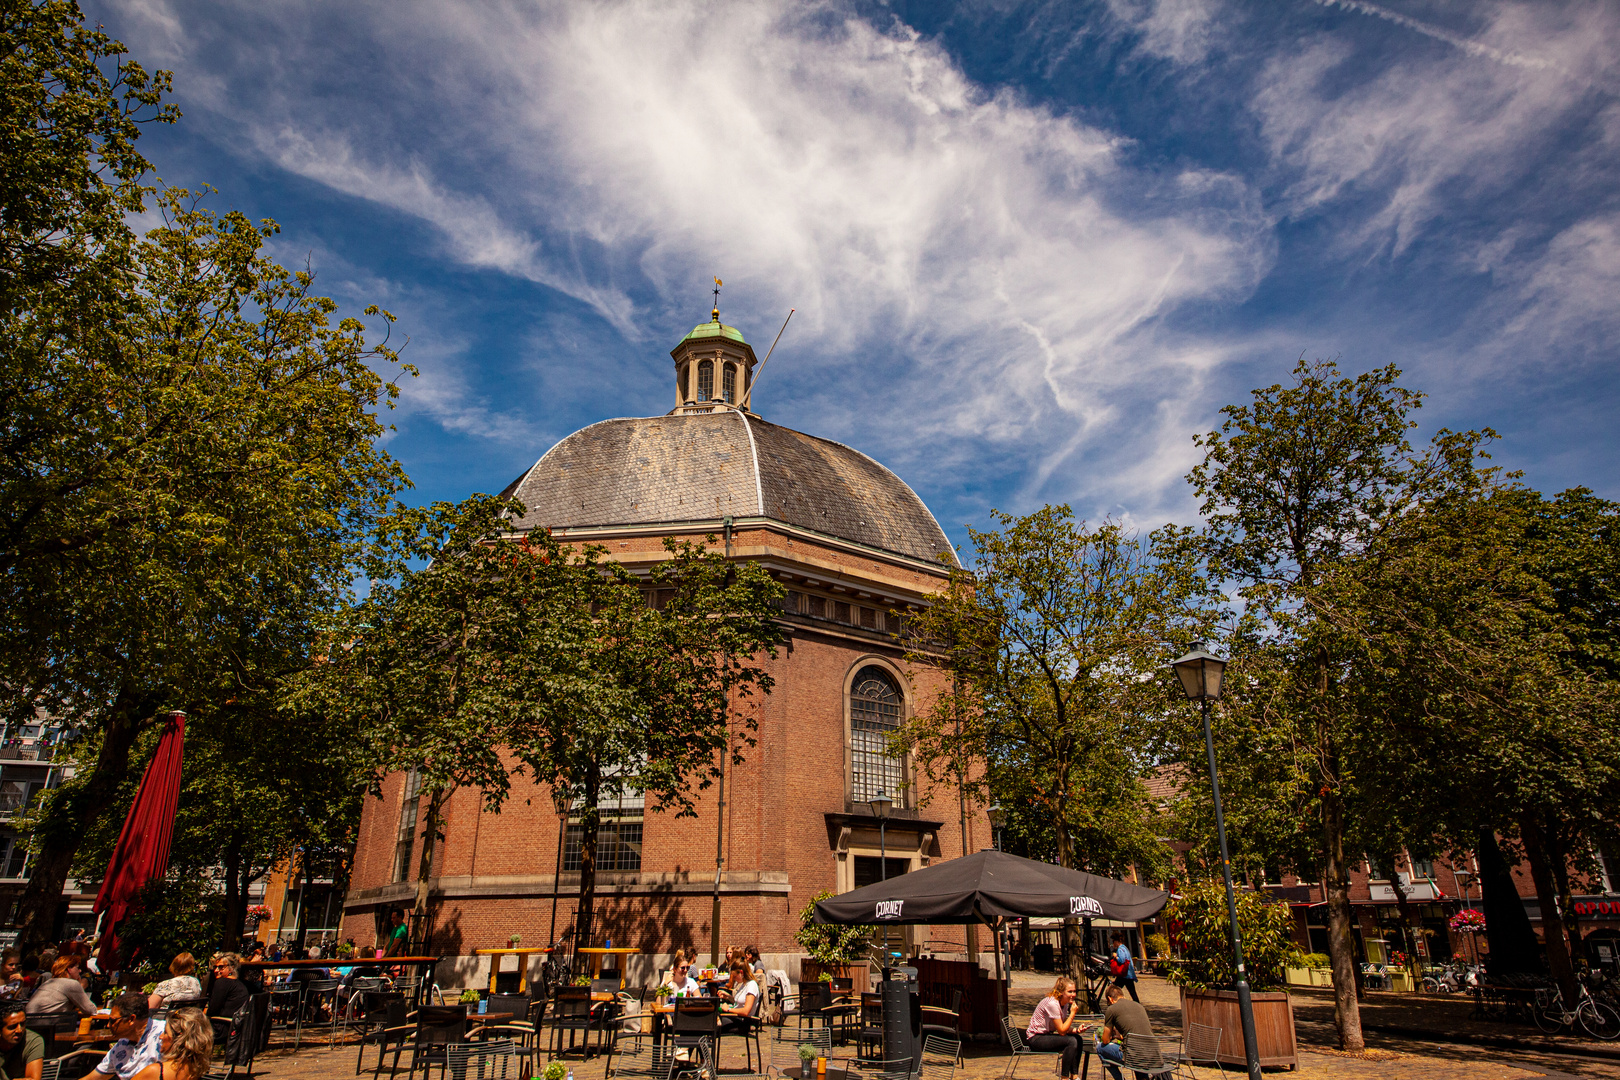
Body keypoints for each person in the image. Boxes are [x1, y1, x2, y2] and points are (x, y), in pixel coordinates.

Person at [1025, 976, 1084, 1080]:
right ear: (1061, 992)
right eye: (1070, 992)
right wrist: (1072, 1014)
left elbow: (1062, 1027)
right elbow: (1061, 1031)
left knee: (1078, 1039)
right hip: (1036, 1038)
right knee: (1071, 1041)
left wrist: (1076, 1030)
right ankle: (1064, 1077)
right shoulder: (1052, 1003)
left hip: (1047, 1035)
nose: (1073, 995)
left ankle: (1074, 1076)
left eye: (1074, 991)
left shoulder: (1064, 1004)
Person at [130, 1007, 213, 1080]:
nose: (161, 1037)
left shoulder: (155, 1072)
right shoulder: (196, 1071)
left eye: (166, 1032)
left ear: (179, 1039)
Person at [96, 990, 165, 1079]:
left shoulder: (164, 1036)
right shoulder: (123, 1042)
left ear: (131, 1019)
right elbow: (96, 1077)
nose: (108, 1025)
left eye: (113, 1020)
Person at [1094, 984, 1153, 1080]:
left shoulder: (1112, 1009)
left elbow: (1105, 1040)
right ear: (1123, 996)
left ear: (1110, 999)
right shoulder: (1139, 1006)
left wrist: (1111, 1036)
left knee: (1100, 1048)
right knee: (1136, 1052)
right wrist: (1118, 1036)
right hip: (1153, 1054)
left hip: (1133, 1056)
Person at [24, 955, 95, 1017]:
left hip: (30, 1021)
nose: (80, 971)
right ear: (69, 969)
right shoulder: (71, 983)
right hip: (47, 1025)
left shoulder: (49, 981)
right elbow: (90, 1010)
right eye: (77, 967)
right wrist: (78, 985)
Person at [0, 1000, 43, 1079]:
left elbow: (33, 1078)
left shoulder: (32, 1041)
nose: (19, 1030)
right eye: (13, 1026)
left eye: (22, 1024)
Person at [205, 954, 250, 1023]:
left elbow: (212, 1010)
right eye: (215, 967)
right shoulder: (239, 984)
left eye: (221, 967)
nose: (216, 970)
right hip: (237, 1025)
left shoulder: (222, 982)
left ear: (231, 968)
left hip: (223, 1025)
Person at [718, 961, 758, 1033]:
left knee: (713, 1022)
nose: (734, 979)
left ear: (741, 973)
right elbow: (739, 1002)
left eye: (735, 976)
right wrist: (727, 996)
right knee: (713, 1015)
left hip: (743, 1022)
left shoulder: (751, 985)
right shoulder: (744, 984)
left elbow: (746, 1011)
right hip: (736, 1018)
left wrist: (728, 1009)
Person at [1110, 933, 1139, 1003]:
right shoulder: (1125, 948)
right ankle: (1138, 1005)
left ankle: (1113, 1002)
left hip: (1124, 974)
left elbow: (1122, 960)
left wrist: (1115, 956)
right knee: (1132, 992)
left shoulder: (1120, 949)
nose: (1113, 943)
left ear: (1117, 941)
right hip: (1128, 974)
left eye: (1113, 941)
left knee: (1114, 989)